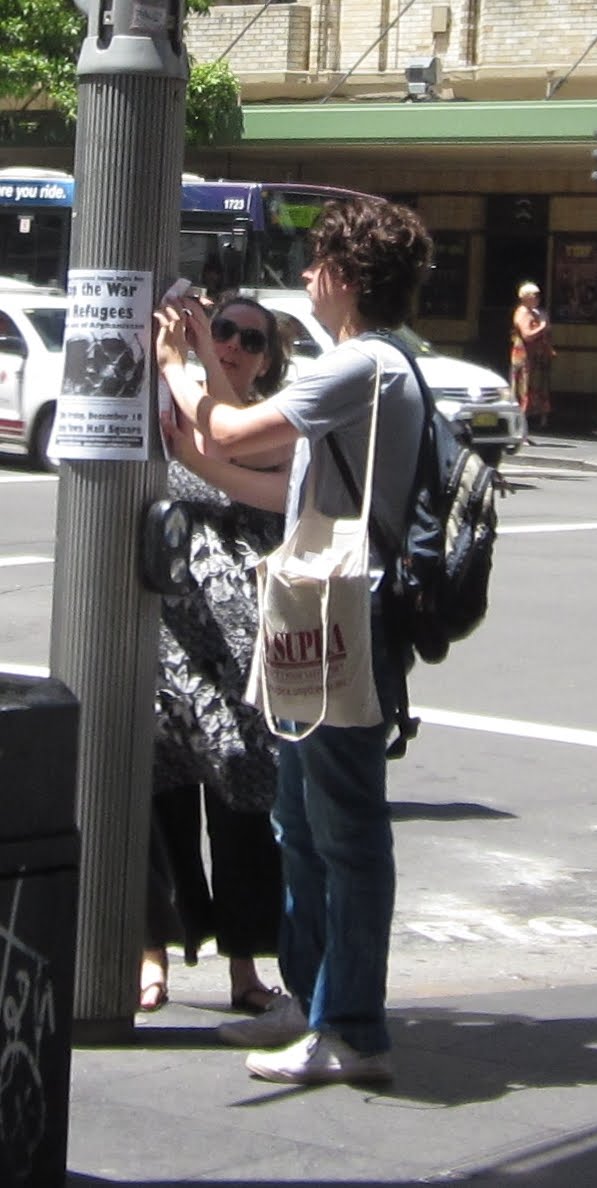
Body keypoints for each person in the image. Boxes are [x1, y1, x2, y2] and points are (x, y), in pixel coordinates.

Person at [155, 195, 433, 1085]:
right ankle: (310, 1001)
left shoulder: (363, 367)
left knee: (344, 828)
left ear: (345, 276)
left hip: (349, 614)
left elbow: (233, 429)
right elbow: (281, 487)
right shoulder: (363, 368)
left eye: (316, 263)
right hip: (317, 608)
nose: (306, 277)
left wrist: (177, 364)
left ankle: (350, 1028)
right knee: (299, 821)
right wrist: (201, 388)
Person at [140, 295, 292, 1014]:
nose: (231, 344)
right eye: (222, 329)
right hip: (169, 633)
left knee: (242, 800)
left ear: (267, 360)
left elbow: (227, 446)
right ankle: (152, 954)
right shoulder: (166, 409)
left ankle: (244, 968)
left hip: (241, 651)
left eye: (249, 339)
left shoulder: (268, 421)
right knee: (157, 792)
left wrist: (192, 359)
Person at [510, 281, 553, 435]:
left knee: (534, 389)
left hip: (535, 357)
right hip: (524, 358)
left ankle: (530, 426)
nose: (538, 298)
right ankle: (520, 430)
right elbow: (527, 335)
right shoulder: (522, 313)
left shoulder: (535, 312)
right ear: (526, 297)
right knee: (523, 391)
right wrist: (542, 326)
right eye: (535, 295)